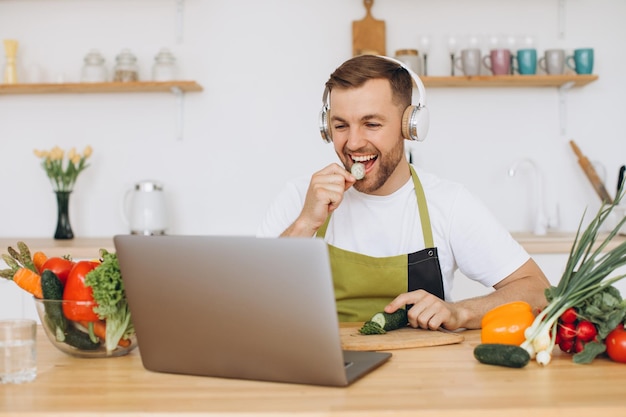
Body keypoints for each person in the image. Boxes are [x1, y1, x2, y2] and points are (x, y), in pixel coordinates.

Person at [257, 54, 549, 331]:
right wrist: (305, 224)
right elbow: (253, 302)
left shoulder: (449, 203)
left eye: (371, 124)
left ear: (410, 126)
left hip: (421, 375)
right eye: (341, 125)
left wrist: (460, 312)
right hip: (324, 367)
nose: (353, 142)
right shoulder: (299, 198)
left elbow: (538, 291)